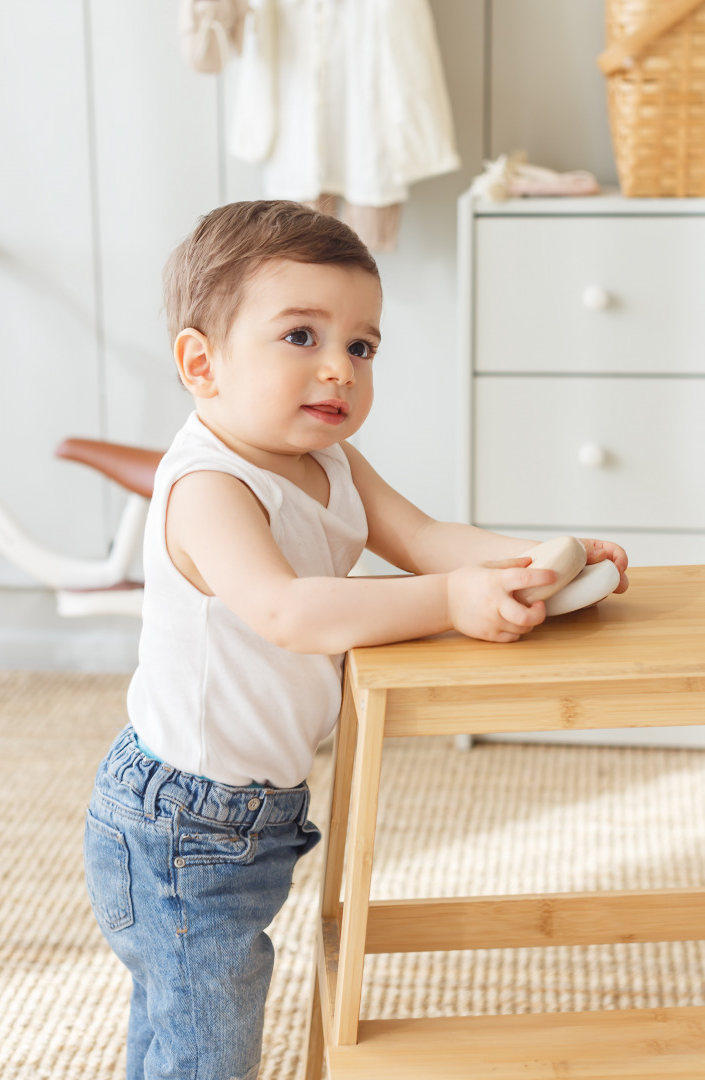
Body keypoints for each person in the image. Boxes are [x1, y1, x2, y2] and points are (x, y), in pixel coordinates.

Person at [84, 199, 628, 1080]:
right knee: (207, 1043)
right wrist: (451, 600)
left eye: (361, 346)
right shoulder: (208, 485)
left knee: (184, 1024)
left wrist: (533, 556)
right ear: (201, 362)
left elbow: (421, 536)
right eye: (301, 336)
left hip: (252, 810)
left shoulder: (328, 460)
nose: (338, 368)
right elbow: (289, 610)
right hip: (178, 821)